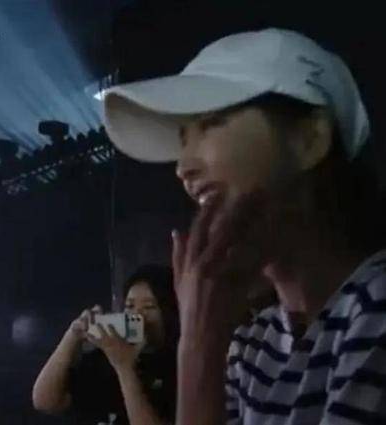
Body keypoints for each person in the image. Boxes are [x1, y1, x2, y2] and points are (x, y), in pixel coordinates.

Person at [102, 28, 386, 425]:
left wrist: (199, 347)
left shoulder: (376, 306)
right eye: (183, 141)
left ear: (309, 139)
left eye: (211, 123)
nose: (183, 168)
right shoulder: (254, 343)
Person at [32, 265, 179, 425]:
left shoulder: (181, 367)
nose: (136, 315)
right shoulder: (105, 357)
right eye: (130, 306)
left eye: (149, 307)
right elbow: (44, 401)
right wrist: (72, 336)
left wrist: (124, 367)